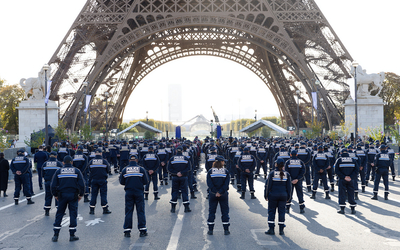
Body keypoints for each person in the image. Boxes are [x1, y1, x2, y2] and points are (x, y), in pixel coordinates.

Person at [50, 155, 85, 242]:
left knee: (60, 213)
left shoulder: (59, 171)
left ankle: (55, 235)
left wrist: (55, 195)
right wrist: (81, 195)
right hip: (73, 195)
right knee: (73, 214)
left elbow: (53, 185)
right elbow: (82, 184)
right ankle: (72, 235)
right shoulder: (76, 171)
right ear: (72, 162)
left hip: (62, 195)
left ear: (63, 162)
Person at [119, 155, 149, 237]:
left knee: (129, 211)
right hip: (139, 192)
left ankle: (127, 231)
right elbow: (146, 181)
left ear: (129, 160)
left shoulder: (125, 169)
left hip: (129, 192)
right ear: (137, 160)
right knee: (140, 211)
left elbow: (121, 182)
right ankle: (142, 230)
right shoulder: (141, 169)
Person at [264, 158, 292, 236]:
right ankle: (281, 230)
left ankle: (271, 229)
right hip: (283, 196)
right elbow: (289, 187)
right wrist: (289, 198)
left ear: (276, 164)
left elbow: (267, 186)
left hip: (273, 196)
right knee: (282, 212)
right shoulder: (287, 174)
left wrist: (266, 195)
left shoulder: (272, 173)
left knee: (271, 212)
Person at [206, 156, 230, 235]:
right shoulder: (226, 171)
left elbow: (209, 184)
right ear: (221, 162)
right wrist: (220, 192)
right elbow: (226, 184)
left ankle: (210, 230)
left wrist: (215, 192)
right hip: (223, 194)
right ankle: (226, 230)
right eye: (223, 161)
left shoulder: (210, 171)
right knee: (225, 212)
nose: (224, 162)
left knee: (212, 212)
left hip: (213, 194)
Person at [167, 146, 191, 213]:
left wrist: (176, 173)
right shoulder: (186, 158)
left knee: (174, 191)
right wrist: (182, 173)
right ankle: (186, 208)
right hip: (184, 177)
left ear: (176, 151)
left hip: (175, 177)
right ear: (182, 151)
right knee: (184, 192)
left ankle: (173, 208)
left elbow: (169, 169)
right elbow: (189, 168)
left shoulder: (172, 159)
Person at [88, 148, 112, 214]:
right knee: (103, 195)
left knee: (93, 195)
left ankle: (92, 210)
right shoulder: (104, 161)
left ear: (95, 153)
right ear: (101, 153)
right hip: (102, 180)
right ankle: (105, 209)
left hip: (94, 180)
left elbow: (89, 171)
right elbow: (108, 170)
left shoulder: (91, 161)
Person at [335, 148, 358, 214]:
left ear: (341, 153)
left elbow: (336, 170)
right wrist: (350, 177)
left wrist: (344, 177)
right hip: (351, 180)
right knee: (351, 193)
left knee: (342, 193)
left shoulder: (339, 160)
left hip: (342, 180)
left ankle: (342, 209)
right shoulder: (353, 160)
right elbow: (356, 170)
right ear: (348, 153)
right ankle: (353, 209)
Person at [42, 151, 63, 216]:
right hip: (57, 183)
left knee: (48, 195)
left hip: (48, 182)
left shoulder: (45, 164)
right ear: (56, 156)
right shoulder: (59, 164)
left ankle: (47, 210)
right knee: (58, 196)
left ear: (49, 156)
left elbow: (42, 174)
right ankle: (59, 209)